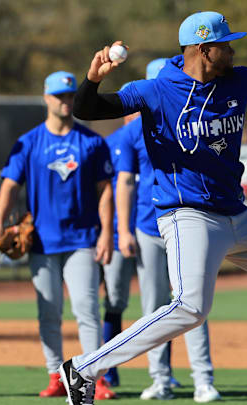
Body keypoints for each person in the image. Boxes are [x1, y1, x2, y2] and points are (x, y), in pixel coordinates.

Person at [59, 11, 247, 405]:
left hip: (234, 212)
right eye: (226, 44)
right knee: (190, 308)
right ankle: (84, 369)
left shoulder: (238, 79)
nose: (234, 50)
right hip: (186, 213)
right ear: (204, 50)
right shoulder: (155, 90)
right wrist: (94, 78)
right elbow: (89, 109)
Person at [0, 71, 116, 400]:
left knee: (87, 309)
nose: (65, 101)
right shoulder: (31, 142)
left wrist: (106, 234)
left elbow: (106, 192)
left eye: (70, 96)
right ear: (46, 98)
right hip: (42, 242)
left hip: (82, 239)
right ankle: (55, 374)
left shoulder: (91, 143)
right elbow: (9, 185)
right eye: (59, 96)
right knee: (48, 311)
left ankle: (93, 376)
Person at [114, 59, 221, 403]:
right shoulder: (131, 132)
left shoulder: (187, 120)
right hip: (147, 228)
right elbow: (124, 183)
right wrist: (124, 229)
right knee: (153, 307)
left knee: (192, 305)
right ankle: (160, 378)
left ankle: (202, 379)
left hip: (185, 222)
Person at [100, 81, 139, 389]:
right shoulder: (112, 143)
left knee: (165, 304)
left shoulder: (161, 141)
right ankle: (109, 370)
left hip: (155, 231)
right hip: (117, 236)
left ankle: (161, 373)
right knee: (115, 302)